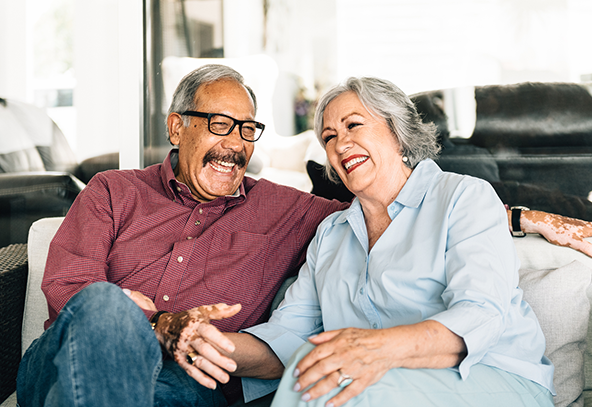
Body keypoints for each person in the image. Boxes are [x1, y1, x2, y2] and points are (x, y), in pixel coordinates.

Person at [15, 65, 592, 407]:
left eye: (246, 129)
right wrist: (182, 333)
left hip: (474, 375)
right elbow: (70, 291)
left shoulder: (448, 201)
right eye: (328, 135)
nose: (234, 143)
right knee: (107, 308)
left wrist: (525, 216)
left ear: (397, 132)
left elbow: (478, 305)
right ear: (177, 127)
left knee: (317, 384)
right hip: (77, 356)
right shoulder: (115, 191)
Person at [221, 76, 565, 407]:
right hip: (379, 382)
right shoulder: (330, 234)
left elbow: (480, 315)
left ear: (398, 133)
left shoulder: (463, 197)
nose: (340, 144)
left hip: (494, 378)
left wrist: (374, 348)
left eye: (354, 125)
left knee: (336, 387)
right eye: (328, 137)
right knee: (319, 376)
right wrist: (208, 345)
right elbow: (287, 338)